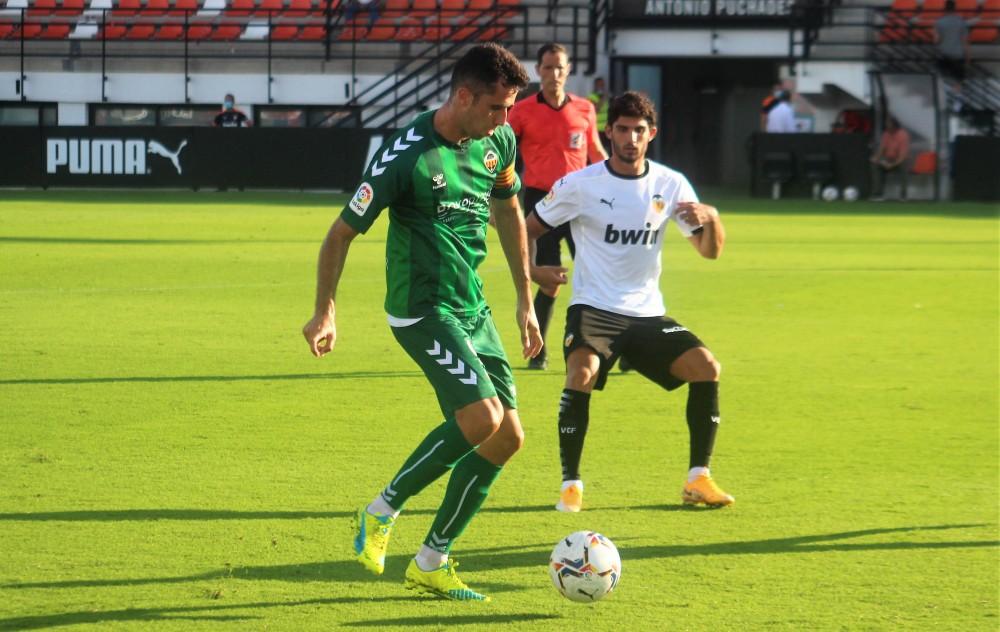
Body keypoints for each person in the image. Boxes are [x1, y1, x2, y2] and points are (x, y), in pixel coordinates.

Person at [302, 43, 539, 603]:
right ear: (463, 96)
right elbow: (339, 234)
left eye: (510, 109)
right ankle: (381, 509)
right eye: (497, 108)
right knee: (481, 416)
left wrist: (525, 298)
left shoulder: (496, 142)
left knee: (507, 437)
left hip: (472, 307)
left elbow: (508, 209)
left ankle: (432, 560)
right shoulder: (406, 156)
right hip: (421, 309)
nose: (506, 121)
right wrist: (325, 309)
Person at [524, 91, 735, 513]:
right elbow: (526, 227)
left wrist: (712, 218)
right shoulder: (580, 184)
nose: (630, 138)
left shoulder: (670, 184)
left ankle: (698, 479)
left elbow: (709, 251)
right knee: (580, 371)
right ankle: (571, 484)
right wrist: (532, 270)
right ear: (609, 131)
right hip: (594, 308)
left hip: (646, 313)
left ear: (650, 134)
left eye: (639, 130)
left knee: (706, 367)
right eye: (622, 129)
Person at [508, 43, 608, 370]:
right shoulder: (522, 111)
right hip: (542, 202)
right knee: (549, 279)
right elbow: (503, 152)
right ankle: (538, 351)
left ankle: (615, 346)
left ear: (568, 71)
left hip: (582, 202)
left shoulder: (584, 109)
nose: (554, 74)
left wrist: (620, 182)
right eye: (548, 67)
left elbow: (594, 150)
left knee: (598, 276)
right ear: (538, 70)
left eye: (559, 67)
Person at [933, 0, 970, 109]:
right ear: (955, 9)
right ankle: (957, 100)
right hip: (958, 54)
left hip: (944, 54)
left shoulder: (939, 22)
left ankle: (946, 97)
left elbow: (936, 40)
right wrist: (968, 56)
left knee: (941, 75)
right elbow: (965, 41)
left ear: (945, 9)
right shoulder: (961, 22)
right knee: (958, 79)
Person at [869, 115, 911, 201]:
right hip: (888, 159)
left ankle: (903, 195)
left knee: (904, 165)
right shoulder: (886, 134)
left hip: (899, 161)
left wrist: (892, 165)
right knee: (875, 166)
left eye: (888, 124)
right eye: (886, 124)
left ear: (894, 125)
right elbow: (882, 149)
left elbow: (902, 156)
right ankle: (878, 194)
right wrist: (876, 158)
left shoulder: (903, 135)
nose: (886, 125)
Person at [588, 77, 611, 154]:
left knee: (608, 150)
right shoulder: (591, 96)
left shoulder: (606, 97)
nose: (601, 87)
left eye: (602, 85)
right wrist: (603, 98)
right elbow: (595, 110)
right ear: (595, 86)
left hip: (606, 129)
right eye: (599, 85)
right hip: (597, 129)